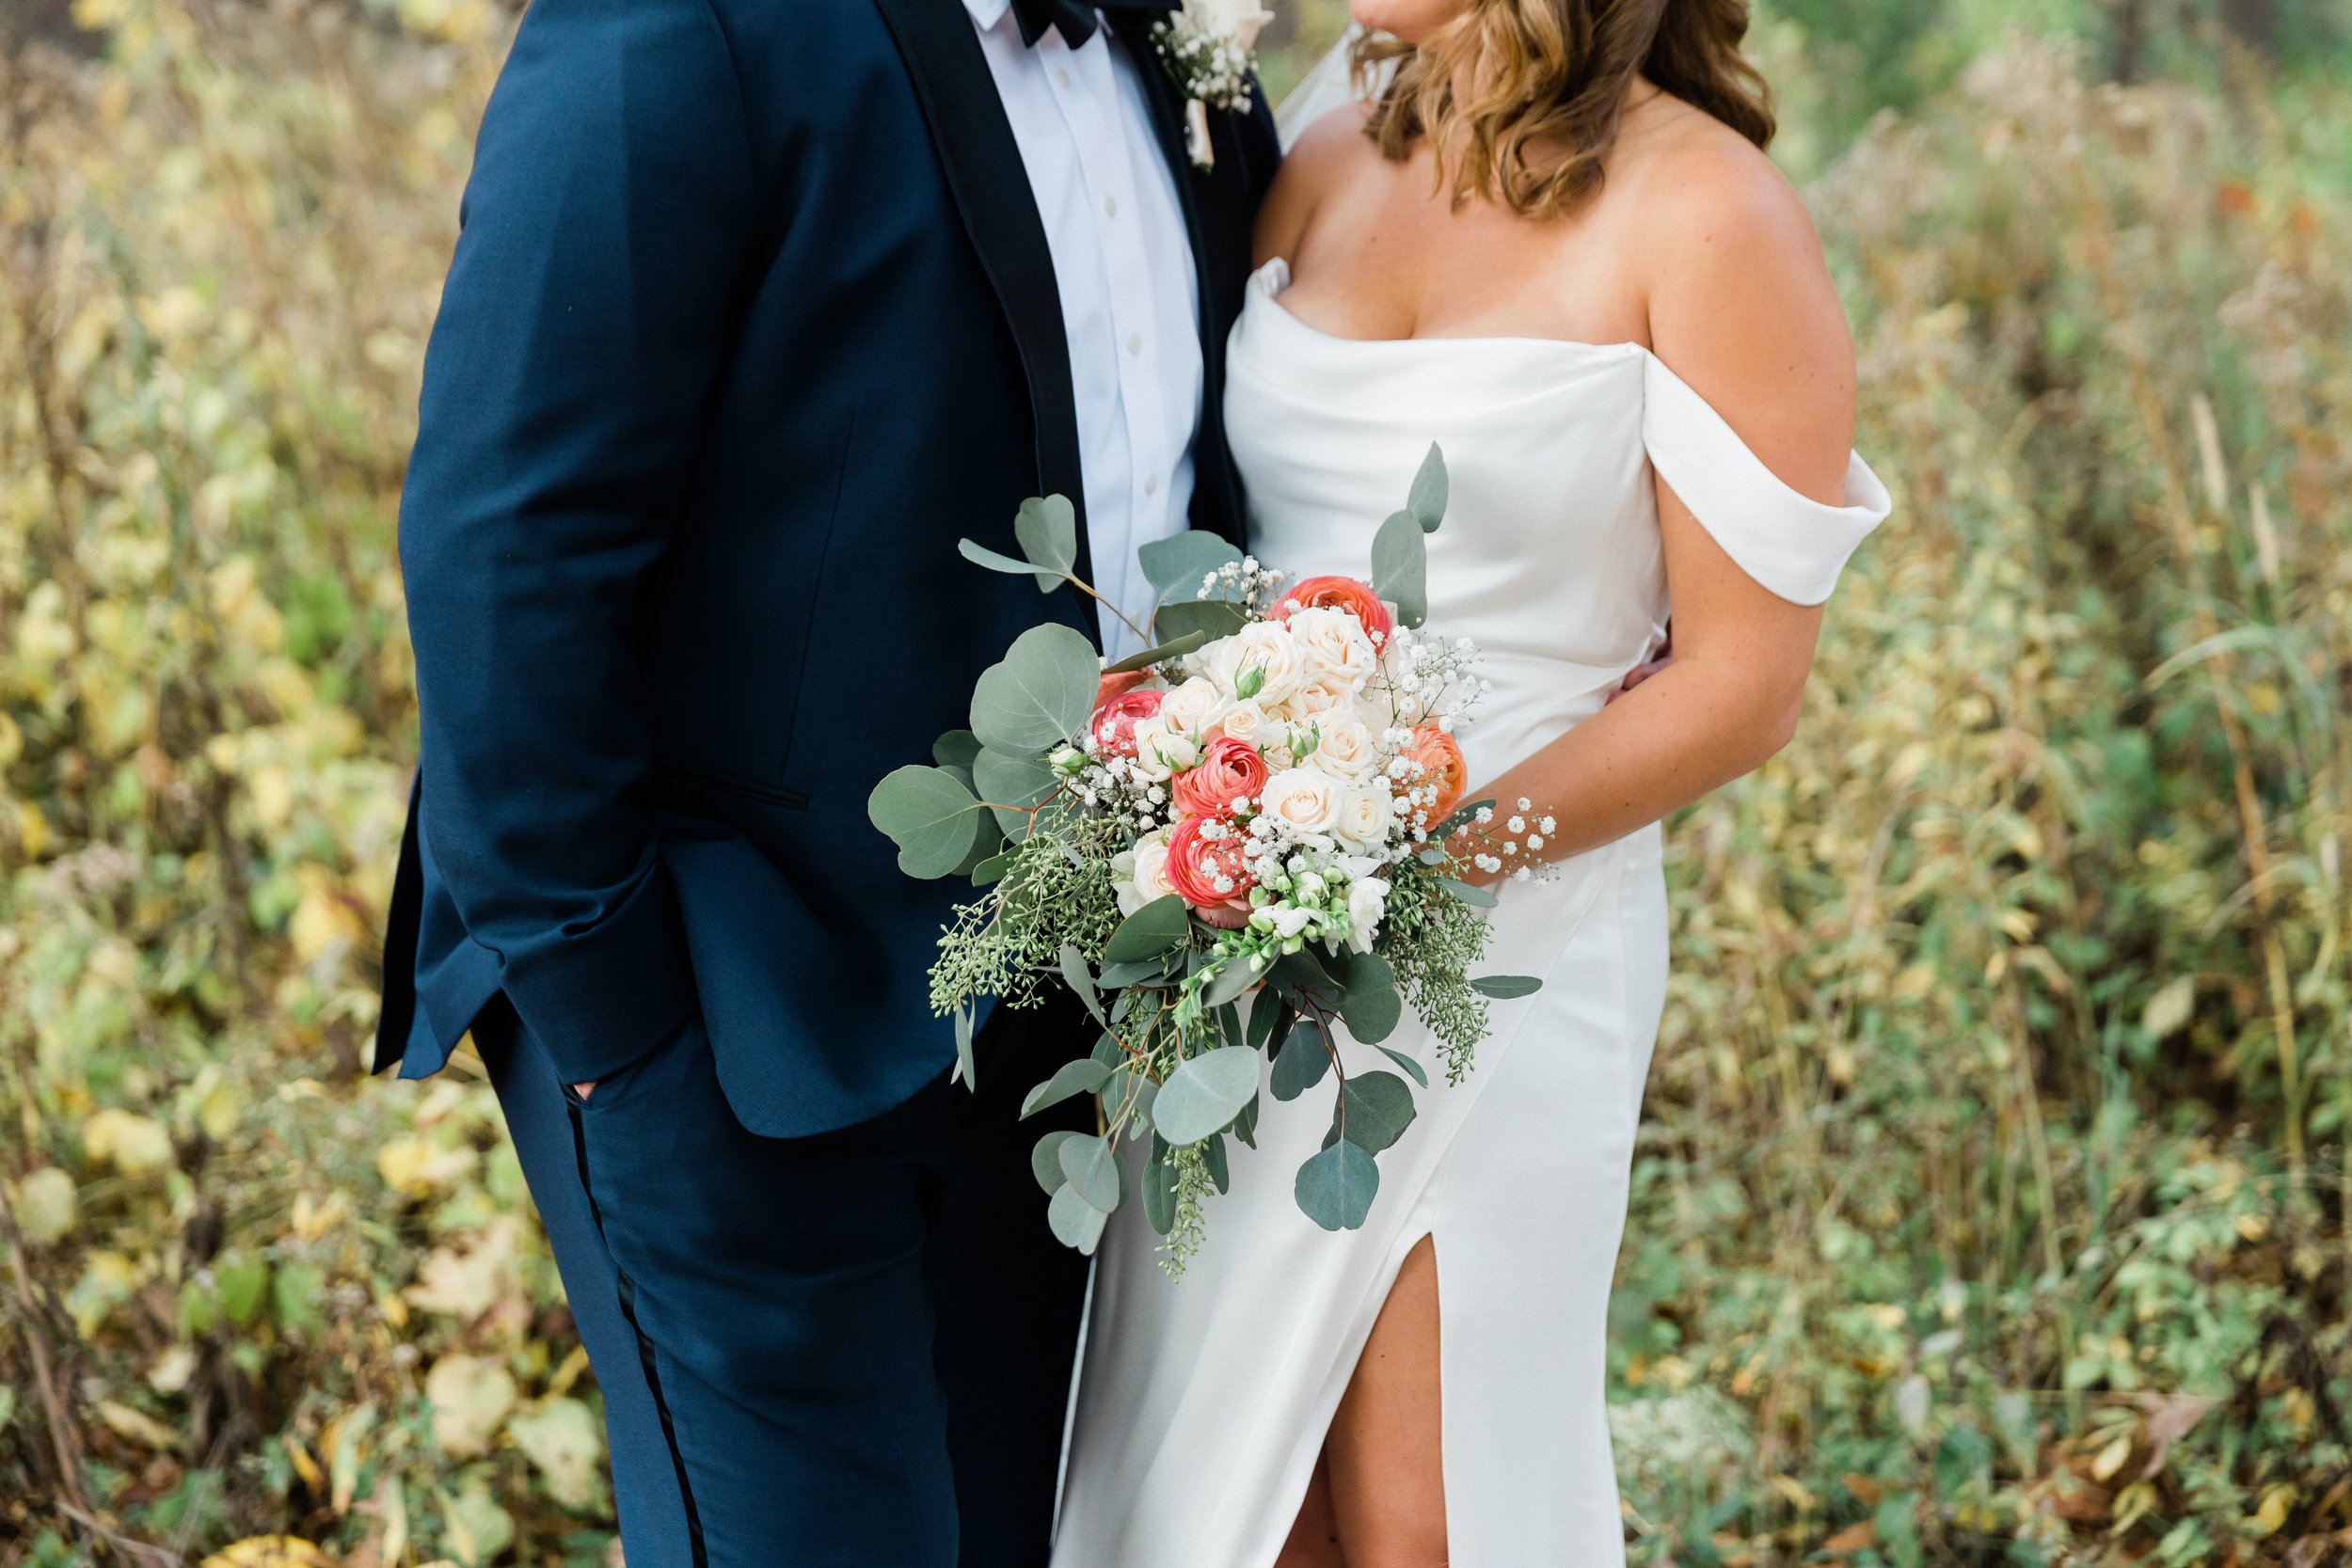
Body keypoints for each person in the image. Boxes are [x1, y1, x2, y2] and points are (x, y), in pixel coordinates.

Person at [373, 0, 1279, 1560]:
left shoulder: (1186, 49)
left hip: (1057, 1013)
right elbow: (506, 545)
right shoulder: (679, 28)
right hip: (729, 1007)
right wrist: (622, 1032)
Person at [1053, 0, 1891, 1563]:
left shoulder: (1708, 213)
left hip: (1501, 958)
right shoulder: (1313, 152)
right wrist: (1232, 824)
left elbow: (1743, 684)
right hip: (1242, 919)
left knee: (1426, 1511)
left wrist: (1410, 863)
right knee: (1229, 1499)